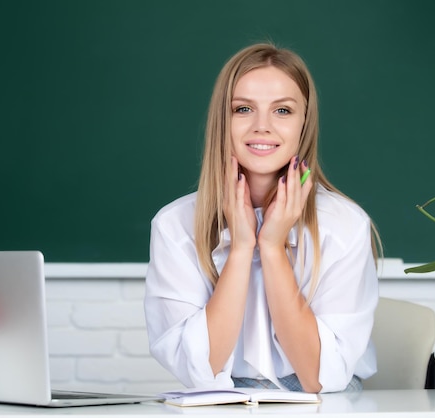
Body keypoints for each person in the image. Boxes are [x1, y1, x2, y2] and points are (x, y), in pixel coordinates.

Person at [144, 42, 381, 393]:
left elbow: (317, 378)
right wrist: (241, 247)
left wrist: (271, 247)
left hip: (322, 405)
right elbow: (202, 370)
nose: (262, 127)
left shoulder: (345, 225)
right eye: (243, 109)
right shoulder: (174, 226)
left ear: (304, 123)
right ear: (223, 121)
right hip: (220, 399)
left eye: (282, 111)